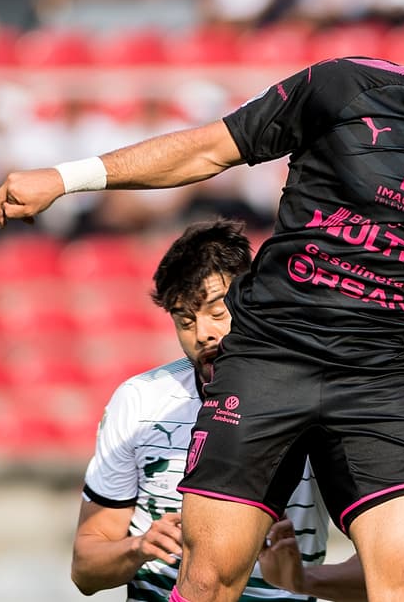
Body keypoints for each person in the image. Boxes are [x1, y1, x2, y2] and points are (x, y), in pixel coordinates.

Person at [0, 0, 404, 602]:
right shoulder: (347, 88)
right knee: (210, 578)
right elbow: (208, 149)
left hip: (376, 380)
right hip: (268, 360)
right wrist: (65, 178)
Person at [71, 219, 366, 602]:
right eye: (185, 320)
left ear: (256, 299)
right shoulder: (139, 401)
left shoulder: (323, 402)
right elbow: (85, 570)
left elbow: (393, 570)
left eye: (217, 312)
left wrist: (304, 581)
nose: (202, 334)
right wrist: (139, 547)